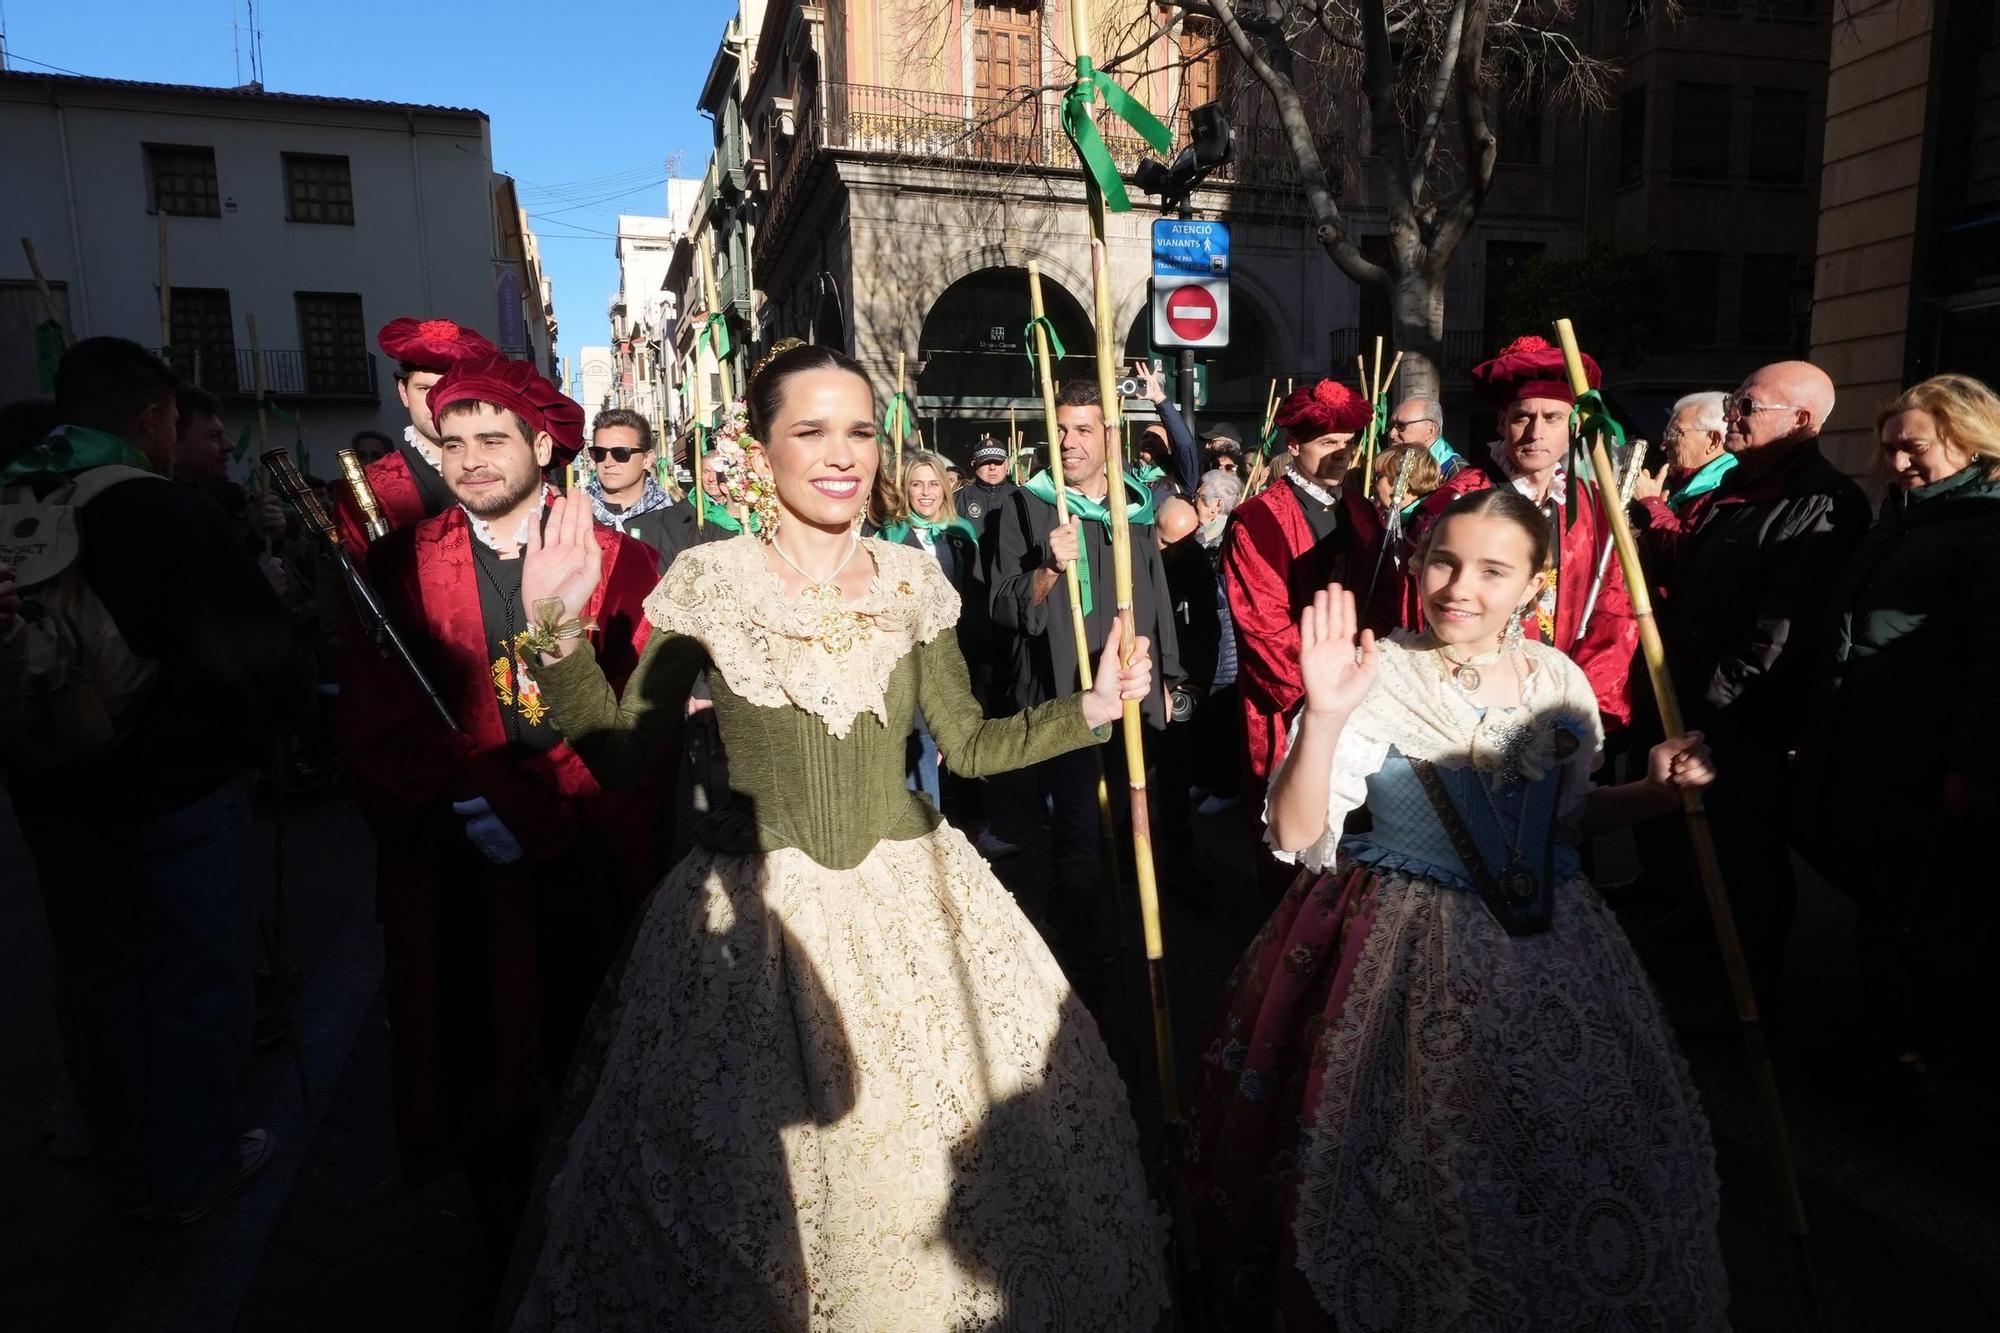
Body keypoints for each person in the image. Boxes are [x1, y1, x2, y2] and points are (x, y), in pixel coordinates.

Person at [497, 343, 1168, 1328]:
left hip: (916, 908)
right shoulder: (706, 582)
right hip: (753, 925)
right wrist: (554, 636)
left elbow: (970, 746)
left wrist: (1094, 706)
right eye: (809, 430)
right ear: (761, 450)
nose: (840, 453)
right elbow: (624, 755)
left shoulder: (909, 580)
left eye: (857, 429)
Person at [1193, 488, 1729, 1329]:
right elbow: (1296, 832)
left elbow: (1567, 821)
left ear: (1534, 583)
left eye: (1492, 569)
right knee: (1421, 1149)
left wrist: (1654, 794)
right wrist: (1325, 716)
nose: (1459, 587)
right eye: (1443, 560)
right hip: (1400, 941)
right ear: (1414, 561)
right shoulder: (1378, 669)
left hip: (1551, 950)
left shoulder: (1558, 678)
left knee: (1542, 1150)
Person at [341, 356, 665, 1270]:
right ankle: (506, 1262)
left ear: (542, 442)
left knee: (593, 1078)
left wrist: (551, 799)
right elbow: (372, 721)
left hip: (583, 870)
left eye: (493, 438)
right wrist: (458, 798)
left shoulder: (622, 562)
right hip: (459, 880)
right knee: (483, 1098)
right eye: (453, 441)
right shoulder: (398, 564)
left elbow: (643, 720)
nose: (471, 459)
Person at [1, 337, 298, 1225]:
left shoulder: (19, 493)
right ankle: (193, 1163)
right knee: (193, 979)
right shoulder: (160, 508)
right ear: (150, 418)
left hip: (50, 782)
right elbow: (258, 653)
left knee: (94, 972)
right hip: (173, 789)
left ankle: (97, 1125)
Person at [1800, 373, 2000, 1085]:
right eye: (1889, 449)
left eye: (1913, 448)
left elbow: (1991, 660)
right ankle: (1886, 1038)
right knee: (1885, 904)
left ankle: (1919, 1056)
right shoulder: (1901, 519)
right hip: (1869, 752)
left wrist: (1971, 765)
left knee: (1927, 917)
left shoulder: (1984, 531)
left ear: (1967, 439)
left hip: (1926, 762)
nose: (1897, 464)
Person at [1662, 359, 1869, 1005]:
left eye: (1746, 407)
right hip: (1701, 705)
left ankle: (1741, 998)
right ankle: (1699, 967)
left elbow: (1783, 628)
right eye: (1733, 404)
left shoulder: (1822, 501)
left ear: (1800, 420)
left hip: (1749, 722)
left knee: (1748, 864)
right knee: (1707, 853)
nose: (1732, 419)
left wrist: (1713, 705)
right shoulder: (1739, 489)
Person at [990, 378, 1183, 967]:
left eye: (1082, 430)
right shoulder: (1025, 505)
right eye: (1061, 431)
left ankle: (1133, 951)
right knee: (1077, 834)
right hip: (1064, 698)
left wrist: (1171, 680)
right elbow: (1002, 606)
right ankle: (1081, 970)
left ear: (1110, 435)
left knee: (1135, 832)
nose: (1068, 443)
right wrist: (1049, 567)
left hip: (1133, 693)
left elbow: (1155, 594)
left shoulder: (1134, 508)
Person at [1413, 335, 1640, 730]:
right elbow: (1425, 605)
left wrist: (1581, 701)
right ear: (1502, 423)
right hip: (1469, 699)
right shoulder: (1456, 501)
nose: (1536, 432)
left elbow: (1614, 609)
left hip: (1561, 697)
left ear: (1573, 427)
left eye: (1552, 418)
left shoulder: (1595, 508)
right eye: (1523, 417)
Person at [1221, 378, 1370, 791]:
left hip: (1361, 691)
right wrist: (1327, 684)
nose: (1341, 455)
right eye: (1327, 443)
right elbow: (1263, 626)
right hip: (1294, 694)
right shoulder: (1257, 522)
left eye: (1347, 443)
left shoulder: (1362, 511)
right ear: (1294, 445)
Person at [333, 315, 502, 555]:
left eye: (450, 388)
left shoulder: (505, 471)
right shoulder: (369, 488)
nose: (437, 401)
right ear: (403, 392)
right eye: (425, 389)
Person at [1155, 495, 1217, 858]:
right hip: (1135, 670)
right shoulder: (1136, 548)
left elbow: (1207, 625)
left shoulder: (1192, 558)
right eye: (1162, 541)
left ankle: (1179, 855)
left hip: (1179, 671)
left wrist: (1195, 681)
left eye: (1176, 544)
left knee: (1174, 771)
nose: (1167, 550)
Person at [1192, 467, 1245, 815]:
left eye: (1199, 497)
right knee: (1204, 716)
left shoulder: (1230, 541)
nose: (1193, 502)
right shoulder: (1201, 537)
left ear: (1214, 505)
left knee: (1223, 715)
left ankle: (1228, 786)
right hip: (1204, 637)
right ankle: (1206, 776)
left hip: (1225, 641)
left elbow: (1229, 596)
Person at [1631, 390, 1737, 557]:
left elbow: (1686, 555)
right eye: (1666, 434)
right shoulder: (1685, 487)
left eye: (1675, 434)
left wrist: (1651, 503)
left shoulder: (1727, 490)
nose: (1663, 445)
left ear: (1713, 440)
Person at [582, 407, 682, 570]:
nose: (608, 462)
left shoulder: (677, 524)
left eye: (620, 453)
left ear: (647, 459)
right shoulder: (577, 519)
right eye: (599, 453)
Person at [1383, 393, 1468, 478]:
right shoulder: (1388, 468)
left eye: (1401, 425)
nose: (1391, 434)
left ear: (1430, 431)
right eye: (1390, 426)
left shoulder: (1459, 473)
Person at [954, 432, 1018, 537]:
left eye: (997, 462)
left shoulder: (1021, 496)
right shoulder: (959, 498)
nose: (992, 467)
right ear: (974, 465)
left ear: (1006, 464)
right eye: (985, 462)